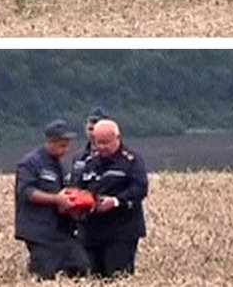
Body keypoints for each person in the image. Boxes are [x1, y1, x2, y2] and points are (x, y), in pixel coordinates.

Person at [14, 120, 89, 280]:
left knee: (81, 266)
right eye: (62, 146)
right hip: (39, 230)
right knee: (46, 275)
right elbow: (26, 192)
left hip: (62, 231)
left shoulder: (61, 166)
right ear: (50, 142)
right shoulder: (30, 163)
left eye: (67, 145)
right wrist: (56, 200)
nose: (66, 150)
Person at [77, 120, 149, 278]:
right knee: (91, 279)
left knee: (118, 278)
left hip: (121, 233)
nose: (102, 147)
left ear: (117, 138)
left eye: (106, 143)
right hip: (91, 233)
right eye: (98, 143)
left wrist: (116, 201)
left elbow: (140, 189)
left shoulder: (131, 161)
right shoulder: (89, 163)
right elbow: (79, 188)